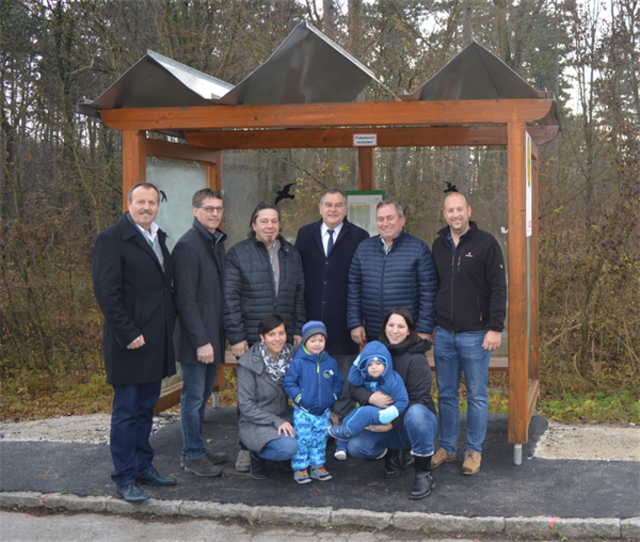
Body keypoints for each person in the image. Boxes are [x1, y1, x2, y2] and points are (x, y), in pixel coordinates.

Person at [92, 182, 177, 503]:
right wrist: (127, 333)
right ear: (129, 203)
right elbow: (106, 293)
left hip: (155, 341)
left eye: (152, 202)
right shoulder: (111, 239)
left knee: (145, 410)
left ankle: (143, 467)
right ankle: (124, 477)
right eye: (140, 201)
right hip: (127, 343)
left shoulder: (157, 237)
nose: (146, 207)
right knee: (126, 412)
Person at [224, 201, 306, 472]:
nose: (270, 226)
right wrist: (236, 337)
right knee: (250, 393)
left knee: (280, 387)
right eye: (264, 221)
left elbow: (298, 294)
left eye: (274, 221)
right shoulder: (238, 253)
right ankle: (246, 448)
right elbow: (230, 298)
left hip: (282, 335)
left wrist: (296, 329)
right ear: (253, 225)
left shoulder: (291, 253)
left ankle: (279, 434)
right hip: (250, 334)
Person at [431, 188, 507, 476]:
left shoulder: (486, 243)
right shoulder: (438, 245)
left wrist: (495, 327)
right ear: (444, 214)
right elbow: (432, 288)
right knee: (446, 394)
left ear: (469, 211)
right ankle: (447, 447)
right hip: (445, 334)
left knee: (476, 395)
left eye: (460, 209)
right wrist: (430, 328)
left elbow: (499, 288)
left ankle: (473, 450)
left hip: (477, 334)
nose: (455, 215)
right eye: (450, 210)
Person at [295, 188, 369, 458]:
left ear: (346, 209)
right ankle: (317, 430)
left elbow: (361, 282)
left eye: (339, 205)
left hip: (344, 323)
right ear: (320, 208)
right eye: (328, 204)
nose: (333, 209)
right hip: (311, 324)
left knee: (344, 381)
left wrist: (358, 320)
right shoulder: (305, 234)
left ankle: (342, 434)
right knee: (311, 380)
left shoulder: (359, 237)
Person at [347, 308, 438, 500]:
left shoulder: (417, 359)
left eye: (400, 326)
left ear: (409, 330)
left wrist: (391, 424)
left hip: (416, 420)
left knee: (416, 413)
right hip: (383, 418)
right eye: (391, 325)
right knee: (356, 447)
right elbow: (353, 386)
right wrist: (370, 398)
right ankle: (391, 451)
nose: (395, 331)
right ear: (384, 328)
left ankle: (424, 473)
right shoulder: (374, 352)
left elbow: (419, 400)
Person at [172, 188, 228, 477]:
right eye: (208, 208)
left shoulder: (214, 242)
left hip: (212, 338)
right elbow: (185, 299)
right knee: (193, 398)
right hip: (197, 342)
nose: (215, 213)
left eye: (218, 208)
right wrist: (202, 341)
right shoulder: (188, 246)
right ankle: (192, 455)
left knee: (203, 394)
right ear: (195, 211)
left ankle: (196, 447)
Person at [347, 200, 438, 348]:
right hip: (374, 334)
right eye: (380, 219)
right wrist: (355, 323)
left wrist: (424, 329)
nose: (385, 223)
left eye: (390, 218)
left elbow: (429, 292)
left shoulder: (419, 248)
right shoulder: (363, 248)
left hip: (407, 336)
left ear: (402, 220)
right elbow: (354, 288)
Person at [236, 314, 298, 480]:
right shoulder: (248, 364)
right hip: (256, 422)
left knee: (316, 433)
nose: (277, 339)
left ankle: (285, 457)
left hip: (284, 414)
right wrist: (276, 421)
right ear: (262, 337)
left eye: (281, 333)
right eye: (271, 334)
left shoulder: (290, 354)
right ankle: (258, 455)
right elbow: (246, 407)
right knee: (290, 448)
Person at [283, 321, 343, 484]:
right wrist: (300, 398)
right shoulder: (298, 361)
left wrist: (333, 397)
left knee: (320, 439)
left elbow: (338, 381)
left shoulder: (330, 362)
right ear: (305, 341)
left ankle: (317, 466)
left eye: (321, 340)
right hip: (304, 411)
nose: (317, 344)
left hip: (323, 412)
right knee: (303, 440)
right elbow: (289, 383)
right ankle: (300, 468)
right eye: (313, 340)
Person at [329, 340, 408, 442]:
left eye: (378, 363)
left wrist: (389, 414)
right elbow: (352, 379)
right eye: (369, 365)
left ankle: (347, 432)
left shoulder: (392, 380)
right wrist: (360, 359)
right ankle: (342, 444)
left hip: (386, 414)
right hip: (374, 411)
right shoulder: (368, 377)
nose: (374, 367)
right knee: (351, 415)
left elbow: (403, 400)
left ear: (386, 364)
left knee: (364, 411)